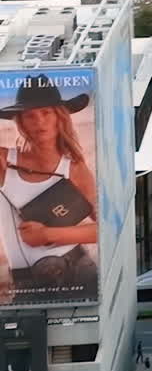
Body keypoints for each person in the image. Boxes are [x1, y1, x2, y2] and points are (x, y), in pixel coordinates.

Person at [0, 76, 98, 304]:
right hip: (25, 283)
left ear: (59, 117)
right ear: (21, 122)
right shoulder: (5, 160)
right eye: (30, 115)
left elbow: (103, 229)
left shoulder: (74, 168)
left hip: (77, 271)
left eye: (46, 113)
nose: (39, 122)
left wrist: (47, 235)